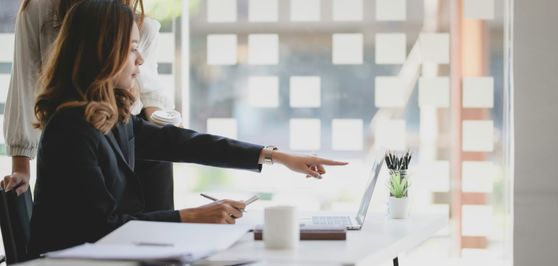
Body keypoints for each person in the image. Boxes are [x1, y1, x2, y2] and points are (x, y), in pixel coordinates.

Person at [27, 0, 347, 255]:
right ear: (102, 52)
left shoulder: (113, 117)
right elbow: (99, 227)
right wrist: (192, 216)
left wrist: (277, 156)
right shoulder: (70, 128)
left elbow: (185, 143)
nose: (140, 60)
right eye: (132, 48)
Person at [1, 0, 176, 212]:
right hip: (74, 145)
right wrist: (21, 166)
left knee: (160, 235)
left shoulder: (139, 21)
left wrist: (164, 128)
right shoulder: (39, 10)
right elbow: (25, 83)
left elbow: (149, 90)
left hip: (132, 139)